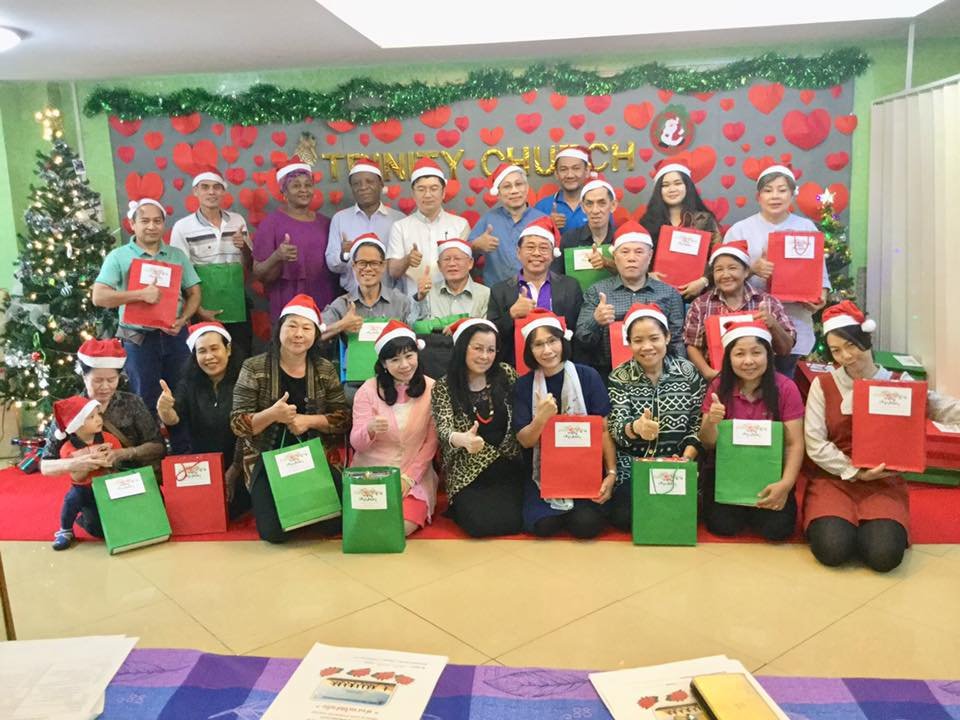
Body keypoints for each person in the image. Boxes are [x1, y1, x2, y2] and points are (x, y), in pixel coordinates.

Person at [803, 301, 960, 572]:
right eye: (836, 350)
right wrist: (854, 471)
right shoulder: (824, 385)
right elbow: (815, 443)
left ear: (866, 339)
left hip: (883, 481)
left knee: (884, 556)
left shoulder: (899, 383)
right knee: (832, 549)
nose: (845, 356)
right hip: (834, 478)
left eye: (851, 345)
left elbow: (939, 407)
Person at [230, 294, 351, 543]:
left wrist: (309, 421)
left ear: (315, 334)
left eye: (306, 328)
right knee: (274, 533)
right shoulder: (253, 367)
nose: (298, 334)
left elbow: (343, 420)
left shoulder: (325, 369)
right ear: (279, 330)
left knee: (335, 524)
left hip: (316, 455)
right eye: (292, 326)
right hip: (266, 457)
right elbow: (237, 424)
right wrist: (272, 414)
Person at [41, 339, 166, 535]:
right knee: (101, 528)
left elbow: (159, 447)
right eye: (98, 380)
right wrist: (76, 463)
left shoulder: (132, 403)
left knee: (150, 520)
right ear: (84, 377)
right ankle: (86, 515)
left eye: (112, 380)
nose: (105, 387)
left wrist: (123, 453)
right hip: (94, 487)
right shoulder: (69, 410)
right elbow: (45, 465)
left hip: (134, 477)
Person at [92, 198, 201, 421]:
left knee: (183, 395)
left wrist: (183, 319)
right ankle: (151, 442)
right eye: (145, 221)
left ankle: (183, 443)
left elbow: (195, 293)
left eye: (157, 221)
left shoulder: (176, 255)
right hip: (137, 339)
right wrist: (139, 295)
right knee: (144, 399)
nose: (152, 226)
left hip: (175, 335)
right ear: (132, 224)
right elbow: (99, 297)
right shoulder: (118, 256)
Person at [698, 321, 805, 541]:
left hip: (770, 474)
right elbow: (708, 442)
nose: (748, 361)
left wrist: (785, 485)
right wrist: (711, 422)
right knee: (722, 526)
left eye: (756, 352)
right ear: (729, 358)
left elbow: (794, 443)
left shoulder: (786, 388)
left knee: (777, 530)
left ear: (768, 354)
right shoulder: (718, 387)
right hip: (727, 474)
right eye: (739, 354)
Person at [513, 310, 616, 538]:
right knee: (543, 527)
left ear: (563, 341)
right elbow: (525, 441)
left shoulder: (588, 376)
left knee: (586, 527)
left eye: (552, 341)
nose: (547, 350)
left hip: (586, 470)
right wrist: (541, 418)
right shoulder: (524, 385)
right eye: (538, 344)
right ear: (530, 350)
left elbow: (603, 430)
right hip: (543, 474)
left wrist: (611, 473)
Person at [723, 165, 830, 376]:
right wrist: (751, 270)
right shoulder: (740, 230)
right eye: (768, 190)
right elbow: (722, 275)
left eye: (782, 190)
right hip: (751, 319)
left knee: (785, 383)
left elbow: (821, 274)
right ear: (759, 196)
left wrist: (821, 297)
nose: (775, 196)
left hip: (794, 320)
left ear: (792, 194)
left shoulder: (806, 227)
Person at [607, 304, 706, 531]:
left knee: (686, 520)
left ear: (667, 337)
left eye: (654, 338)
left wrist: (686, 459)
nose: (647, 347)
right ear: (628, 342)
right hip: (634, 467)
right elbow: (616, 429)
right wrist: (635, 428)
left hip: (678, 465)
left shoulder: (688, 372)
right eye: (638, 340)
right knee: (624, 519)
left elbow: (697, 422)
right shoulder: (619, 377)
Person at [431, 318, 525, 537]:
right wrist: (461, 439)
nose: (485, 356)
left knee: (519, 521)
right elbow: (443, 429)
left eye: (491, 350)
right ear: (463, 347)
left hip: (508, 465)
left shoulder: (506, 373)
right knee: (480, 526)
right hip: (468, 471)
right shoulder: (444, 386)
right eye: (478, 348)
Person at [349, 321, 439, 536]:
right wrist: (369, 429)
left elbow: (431, 442)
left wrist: (408, 478)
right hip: (372, 472)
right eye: (395, 360)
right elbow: (357, 443)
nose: (404, 365)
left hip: (413, 474)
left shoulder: (432, 388)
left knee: (399, 528)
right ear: (384, 363)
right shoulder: (368, 391)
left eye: (409, 356)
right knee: (369, 526)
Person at [156, 322, 249, 519]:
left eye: (215, 348)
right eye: (202, 351)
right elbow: (174, 419)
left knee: (236, 510)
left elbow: (252, 429)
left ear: (228, 349)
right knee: (200, 515)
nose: (209, 357)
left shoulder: (246, 379)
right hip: (202, 467)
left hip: (241, 463)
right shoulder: (188, 383)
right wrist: (164, 409)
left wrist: (234, 470)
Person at [576, 222, 686, 378]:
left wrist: (679, 376)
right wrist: (596, 320)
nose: (631, 258)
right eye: (625, 252)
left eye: (639, 252)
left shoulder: (669, 293)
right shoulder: (597, 291)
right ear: (615, 256)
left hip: (659, 375)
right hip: (608, 374)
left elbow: (676, 342)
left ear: (650, 256)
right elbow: (582, 340)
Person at [169, 167, 253, 358]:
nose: (211, 192)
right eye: (205, 187)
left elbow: (250, 264)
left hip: (236, 303)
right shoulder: (183, 227)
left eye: (217, 187)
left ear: (224, 191)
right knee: (207, 358)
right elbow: (180, 274)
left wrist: (244, 247)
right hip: (202, 305)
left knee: (240, 356)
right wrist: (199, 310)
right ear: (195, 191)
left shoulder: (237, 221)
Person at [683, 241, 796, 382]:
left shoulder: (768, 302)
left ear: (746, 271)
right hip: (715, 380)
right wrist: (708, 373)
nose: (725, 275)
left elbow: (786, 349)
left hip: (760, 383)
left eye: (732, 268)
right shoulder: (700, 304)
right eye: (719, 270)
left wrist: (773, 325)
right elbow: (692, 345)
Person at [486, 216, 583, 365]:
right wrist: (511, 315)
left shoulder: (570, 286)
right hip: (516, 367)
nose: (536, 253)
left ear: (553, 254)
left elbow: (578, 332)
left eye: (543, 248)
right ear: (518, 252)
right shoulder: (500, 290)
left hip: (560, 365)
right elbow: (491, 337)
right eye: (530, 247)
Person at [252, 157, 337, 319]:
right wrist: (277, 256)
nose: (303, 190)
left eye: (308, 185)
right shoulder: (271, 223)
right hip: (288, 302)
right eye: (296, 186)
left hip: (325, 300)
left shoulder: (326, 223)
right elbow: (258, 273)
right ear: (284, 191)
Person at [386, 157, 469, 297]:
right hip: (413, 302)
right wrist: (407, 260)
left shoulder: (460, 225)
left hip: (451, 301)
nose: (428, 194)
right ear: (413, 194)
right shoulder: (400, 227)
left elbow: (464, 268)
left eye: (434, 188)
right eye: (421, 189)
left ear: (443, 192)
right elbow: (393, 272)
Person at [49, 396, 122, 550]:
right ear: (77, 424)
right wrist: (91, 462)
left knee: (104, 529)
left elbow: (117, 463)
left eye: (98, 414)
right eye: (91, 417)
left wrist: (111, 458)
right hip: (84, 488)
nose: (98, 419)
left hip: (108, 485)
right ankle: (65, 530)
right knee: (72, 499)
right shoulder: (68, 448)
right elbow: (77, 477)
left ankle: (89, 518)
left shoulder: (109, 438)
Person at [640, 160, 721, 300]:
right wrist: (647, 276)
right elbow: (637, 256)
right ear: (658, 190)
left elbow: (719, 256)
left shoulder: (704, 220)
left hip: (699, 297)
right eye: (665, 185)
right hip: (657, 296)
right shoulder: (647, 222)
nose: (672, 189)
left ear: (687, 186)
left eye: (677, 183)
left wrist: (704, 281)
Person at [326, 157, 404, 295]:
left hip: (390, 298)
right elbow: (332, 265)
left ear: (381, 184)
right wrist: (344, 255)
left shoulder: (398, 220)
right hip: (351, 297)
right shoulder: (340, 219)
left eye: (369, 181)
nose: (363, 187)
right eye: (356, 183)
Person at [320, 233, 414, 341]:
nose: (368, 268)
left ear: (383, 266)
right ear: (354, 266)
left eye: (374, 263)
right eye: (362, 263)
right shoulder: (342, 304)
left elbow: (415, 337)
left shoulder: (400, 303)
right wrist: (341, 325)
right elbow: (314, 335)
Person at [469, 162, 546, 287]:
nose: (514, 191)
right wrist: (476, 246)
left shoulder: (542, 220)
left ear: (526, 188)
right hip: (496, 292)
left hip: (536, 292)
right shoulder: (488, 219)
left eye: (518, 184)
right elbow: (464, 256)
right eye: (507, 186)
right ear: (498, 193)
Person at [552, 173, 618, 276]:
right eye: (589, 204)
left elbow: (635, 275)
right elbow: (557, 276)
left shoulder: (621, 238)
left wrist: (608, 263)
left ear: (613, 205)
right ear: (582, 207)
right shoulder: (570, 239)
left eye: (602, 203)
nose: (595, 210)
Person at [414, 237, 489, 320]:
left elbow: (487, 326)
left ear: (470, 263)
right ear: (439, 265)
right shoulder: (428, 294)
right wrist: (420, 299)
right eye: (446, 259)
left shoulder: (485, 294)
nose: (452, 264)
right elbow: (412, 323)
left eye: (457, 258)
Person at [534, 145, 592, 232]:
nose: (570, 175)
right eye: (563, 169)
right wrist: (547, 225)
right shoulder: (542, 207)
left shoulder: (598, 205)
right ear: (556, 174)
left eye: (576, 168)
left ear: (587, 171)